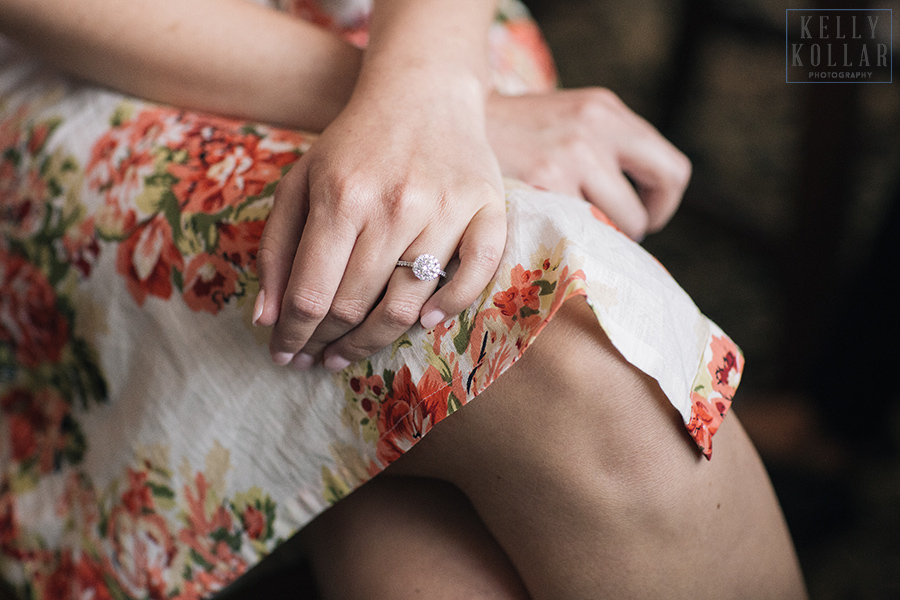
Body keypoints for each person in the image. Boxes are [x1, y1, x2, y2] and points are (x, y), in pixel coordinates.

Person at [0, 0, 806, 598]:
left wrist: (430, 85)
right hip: (81, 55)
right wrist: (447, 111)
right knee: (551, 336)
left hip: (420, 21)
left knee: (415, 374)